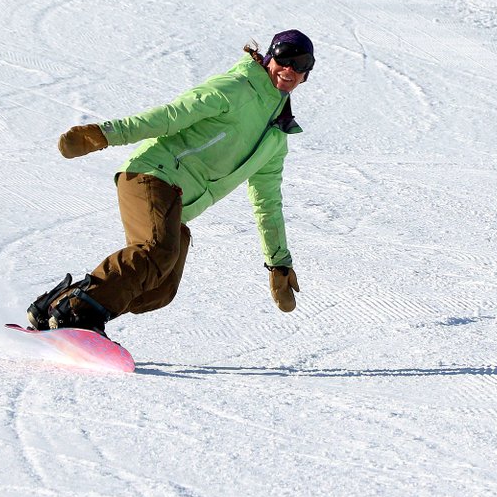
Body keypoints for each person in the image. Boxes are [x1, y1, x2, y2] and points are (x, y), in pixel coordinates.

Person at [26, 29, 314, 336]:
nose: (290, 70)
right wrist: (104, 134)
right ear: (270, 57)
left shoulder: (276, 138)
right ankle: (79, 312)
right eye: (285, 59)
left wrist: (278, 262)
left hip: (177, 203)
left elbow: (267, 203)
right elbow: (170, 116)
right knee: (158, 250)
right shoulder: (236, 88)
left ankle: (58, 307)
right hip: (152, 174)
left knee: (161, 290)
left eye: (301, 64)